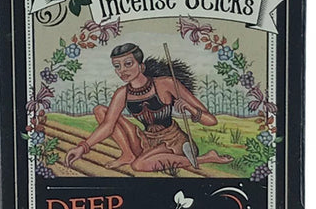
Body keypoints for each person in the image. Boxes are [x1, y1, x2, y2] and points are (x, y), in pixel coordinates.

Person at [65, 42, 233, 173]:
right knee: (100, 111)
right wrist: (82, 147)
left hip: (174, 143)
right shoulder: (122, 93)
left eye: (128, 64)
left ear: (141, 66)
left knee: (139, 165)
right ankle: (127, 154)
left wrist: (190, 108)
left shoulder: (166, 84)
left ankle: (206, 158)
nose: (122, 70)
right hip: (146, 141)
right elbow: (108, 126)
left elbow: (211, 120)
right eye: (117, 66)